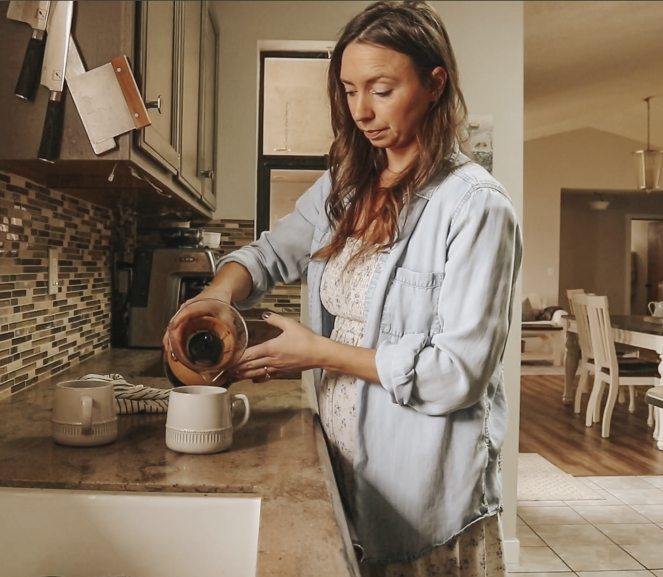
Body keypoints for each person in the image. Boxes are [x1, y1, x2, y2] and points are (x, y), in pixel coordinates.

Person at [164, 2, 522, 574]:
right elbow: (268, 253)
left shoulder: (476, 206)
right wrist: (215, 296)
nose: (361, 110)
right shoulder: (348, 186)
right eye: (349, 90)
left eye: (381, 89)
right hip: (347, 471)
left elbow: (459, 372)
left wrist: (317, 354)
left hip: (423, 494)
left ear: (435, 84)